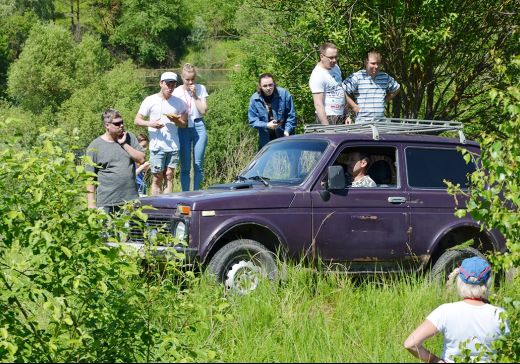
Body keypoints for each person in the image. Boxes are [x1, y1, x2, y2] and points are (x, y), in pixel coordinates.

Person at [404, 256, 510, 363]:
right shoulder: (499, 314)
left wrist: (435, 360)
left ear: (459, 282)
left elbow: (411, 344)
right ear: (488, 283)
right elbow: (506, 352)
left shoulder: (445, 311)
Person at [134, 71, 187, 195]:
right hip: (157, 146)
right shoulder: (150, 100)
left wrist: (176, 120)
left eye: (173, 84)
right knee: (157, 177)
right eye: (168, 84)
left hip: (173, 146)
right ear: (161, 83)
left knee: (169, 176)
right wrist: (150, 124)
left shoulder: (179, 102)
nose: (170, 87)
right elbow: (137, 120)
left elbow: (184, 124)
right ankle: (156, 207)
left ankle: (168, 205)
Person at [86, 108, 145, 213]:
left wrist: (124, 144)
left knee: (134, 229)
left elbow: (141, 159)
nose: (121, 125)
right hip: (107, 203)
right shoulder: (95, 146)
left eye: (122, 122)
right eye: (117, 123)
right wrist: (91, 204)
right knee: (107, 230)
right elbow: (90, 178)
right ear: (107, 125)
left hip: (131, 200)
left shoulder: (129, 138)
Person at [172, 63, 209, 191]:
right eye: (187, 79)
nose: (190, 82)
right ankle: (185, 194)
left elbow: (203, 111)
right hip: (183, 127)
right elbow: (173, 113)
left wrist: (195, 95)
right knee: (185, 166)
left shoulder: (200, 88)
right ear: (182, 78)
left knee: (198, 164)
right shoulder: (176, 92)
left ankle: (197, 193)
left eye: (193, 79)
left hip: (198, 125)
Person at [343, 49, 400, 123]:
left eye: (378, 63)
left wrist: (384, 100)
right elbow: (341, 91)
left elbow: (397, 88)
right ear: (366, 62)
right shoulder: (357, 77)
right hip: (362, 123)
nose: (376, 66)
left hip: (381, 123)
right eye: (373, 63)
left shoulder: (385, 77)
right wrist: (353, 106)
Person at [309, 42, 358, 125]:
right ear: (322, 57)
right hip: (327, 117)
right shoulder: (317, 75)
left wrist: (347, 115)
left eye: (336, 57)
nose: (334, 60)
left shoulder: (335, 68)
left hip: (341, 115)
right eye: (331, 58)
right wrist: (327, 127)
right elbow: (318, 104)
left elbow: (340, 91)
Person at [248, 73, 296, 150]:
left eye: (271, 85)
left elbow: (291, 115)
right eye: (265, 86)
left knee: (293, 161)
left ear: (274, 84)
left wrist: (287, 130)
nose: (268, 88)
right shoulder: (254, 99)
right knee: (264, 162)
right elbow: (252, 121)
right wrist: (267, 125)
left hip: (285, 136)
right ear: (260, 86)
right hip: (266, 140)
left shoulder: (284, 94)